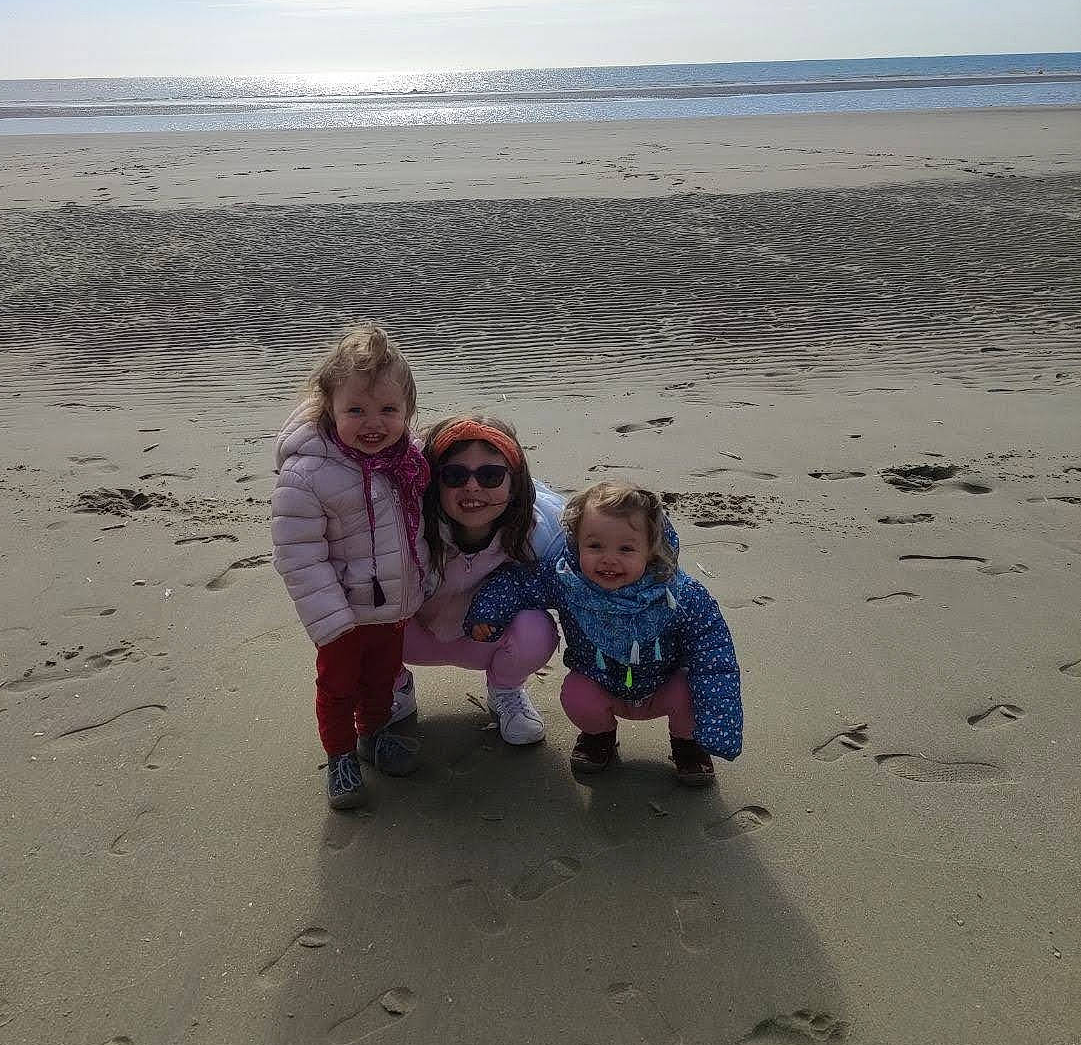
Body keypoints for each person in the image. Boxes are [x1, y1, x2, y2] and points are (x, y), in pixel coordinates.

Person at [466, 480, 742, 783]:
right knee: (576, 694)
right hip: (599, 682)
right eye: (595, 546)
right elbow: (519, 582)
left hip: (665, 685)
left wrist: (717, 726)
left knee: (690, 693)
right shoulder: (567, 580)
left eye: (626, 548)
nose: (609, 559)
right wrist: (489, 611)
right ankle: (599, 738)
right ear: (577, 543)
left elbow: (715, 659)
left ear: (650, 549)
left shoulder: (681, 595)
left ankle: (688, 746)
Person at [271, 322, 429, 810]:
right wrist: (331, 620)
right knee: (338, 686)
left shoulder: (409, 461)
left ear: (407, 410)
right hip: (340, 611)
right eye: (355, 410)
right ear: (329, 407)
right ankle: (340, 756)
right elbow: (298, 554)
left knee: (381, 678)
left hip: (392, 602)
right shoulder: (307, 473)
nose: (373, 423)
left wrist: (424, 578)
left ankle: (374, 734)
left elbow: (417, 528)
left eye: (388, 410)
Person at [388, 416, 562, 745]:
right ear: (432, 482)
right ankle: (393, 688)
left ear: (515, 484)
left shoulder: (542, 533)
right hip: (410, 635)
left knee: (537, 629)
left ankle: (505, 691)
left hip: (485, 637)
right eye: (454, 475)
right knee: (353, 616)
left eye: (491, 475)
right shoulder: (403, 525)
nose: (472, 487)